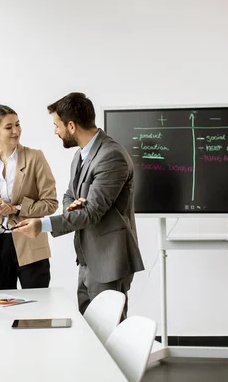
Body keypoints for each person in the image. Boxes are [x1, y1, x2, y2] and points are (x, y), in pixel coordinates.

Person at [15, 92, 144, 321]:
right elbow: (68, 195)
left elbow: (92, 212)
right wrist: (71, 207)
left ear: (71, 126)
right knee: (90, 333)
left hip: (109, 261)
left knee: (108, 335)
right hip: (87, 260)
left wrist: (42, 225)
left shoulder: (111, 156)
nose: (56, 131)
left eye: (57, 125)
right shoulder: (80, 155)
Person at [0, 105, 58, 290]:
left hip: (31, 244)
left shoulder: (35, 157)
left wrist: (16, 208)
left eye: (18, 125)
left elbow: (50, 203)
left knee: (37, 307)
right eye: (8, 127)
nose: (16, 131)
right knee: (2, 309)